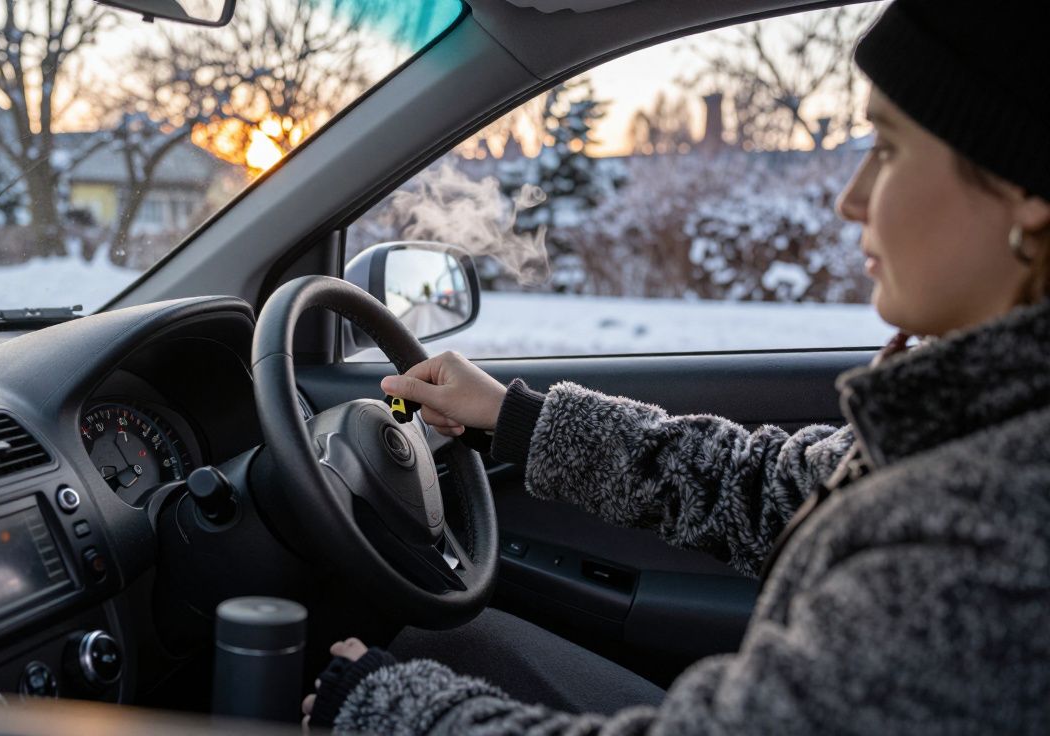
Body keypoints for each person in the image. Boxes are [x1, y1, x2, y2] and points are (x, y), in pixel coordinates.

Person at [300, 1, 1050, 733]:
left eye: (885, 151)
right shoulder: (968, 421)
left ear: (1022, 191)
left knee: (421, 654)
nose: (851, 200)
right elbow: (770, 489)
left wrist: (391, 712)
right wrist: (515, 417)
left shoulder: (990, 540)